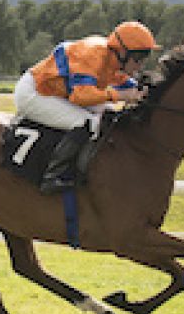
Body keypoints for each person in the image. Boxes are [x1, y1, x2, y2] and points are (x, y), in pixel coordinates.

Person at [14, 20, 157, 194]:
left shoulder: (112, 59)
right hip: (36, 92)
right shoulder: (93, 55)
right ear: (122, 52)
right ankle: (52, 176)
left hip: (59, 92)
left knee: (107, 115)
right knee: (86, 123)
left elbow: (124, 84)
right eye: (138, 60)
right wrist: (119, 96)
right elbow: (80, 96)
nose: (139, 66)